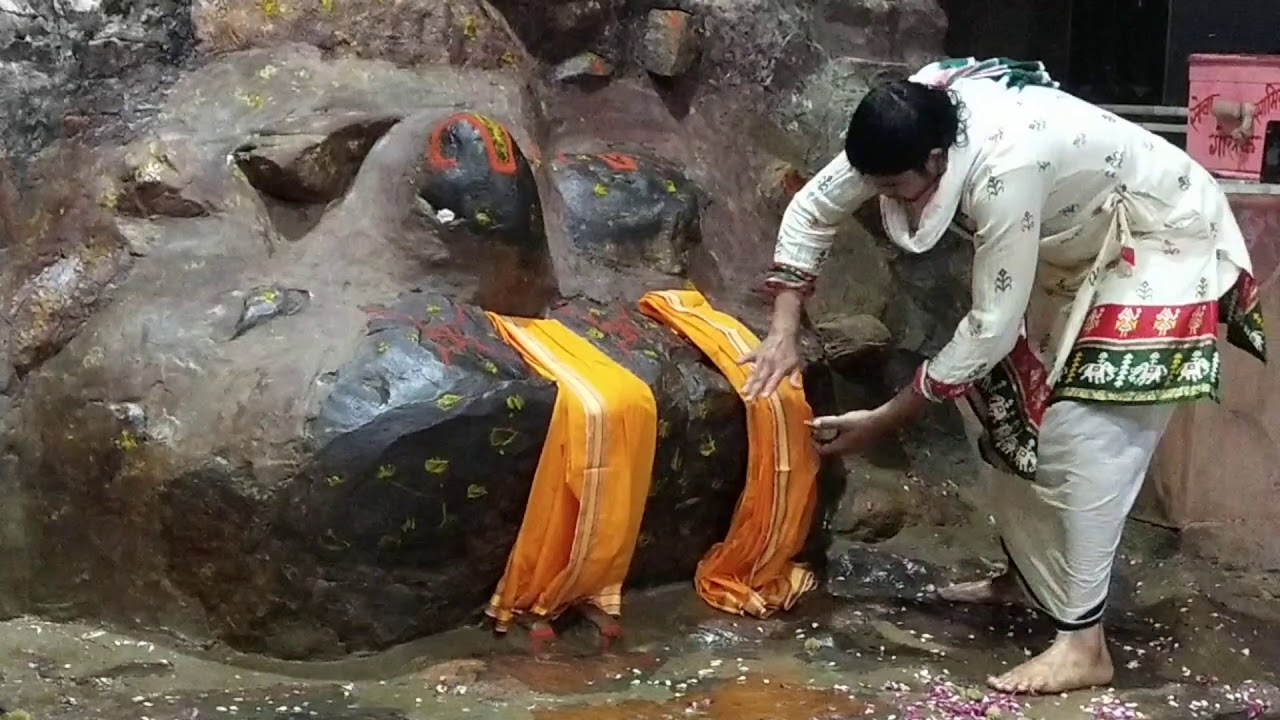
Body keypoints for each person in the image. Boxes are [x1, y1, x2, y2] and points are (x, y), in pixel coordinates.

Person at [741, 57, 1267, 695]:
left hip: (1159, 236)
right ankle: (1030, 577)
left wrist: (882, 420)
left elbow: (990, 328)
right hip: (1071, 244)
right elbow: (813, 207)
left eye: (896, 189)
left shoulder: (1005, 166)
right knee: (995, 402)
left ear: (937, 161)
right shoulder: (911, 117)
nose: (885, 200)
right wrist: (782, 328)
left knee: (1083, 433)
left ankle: (1084, 645)